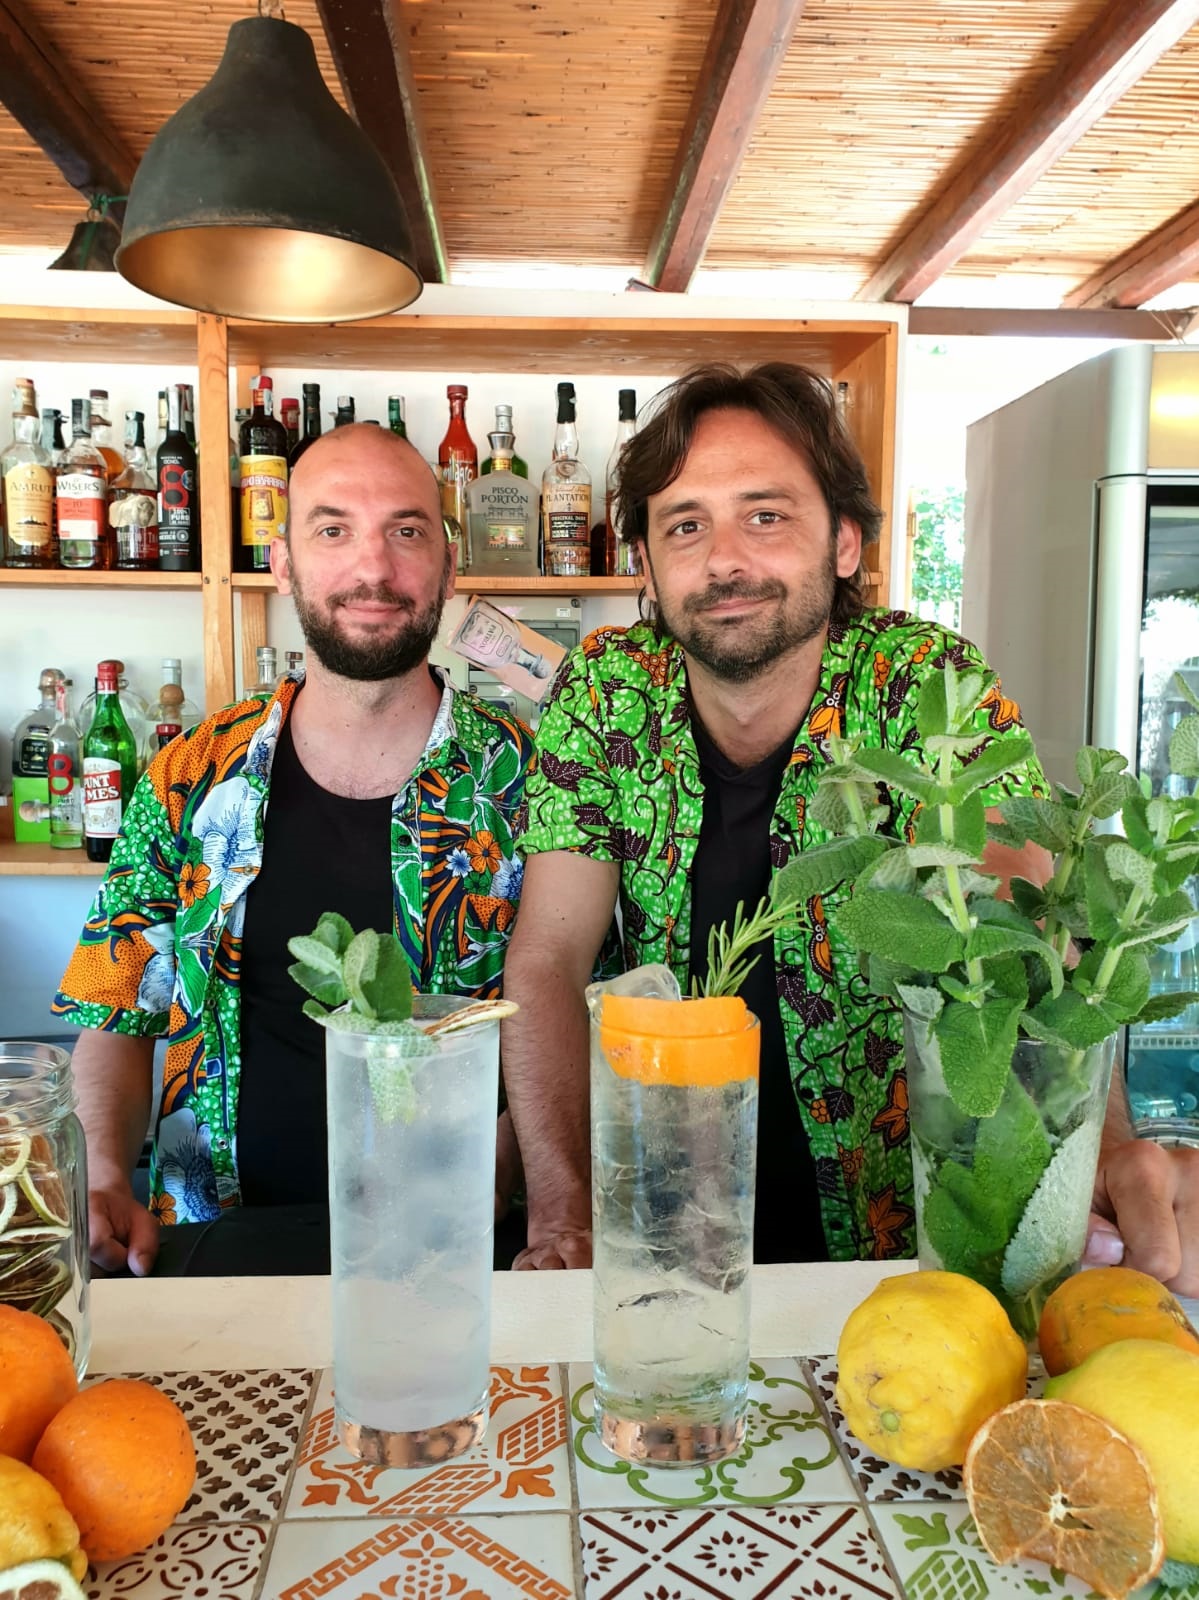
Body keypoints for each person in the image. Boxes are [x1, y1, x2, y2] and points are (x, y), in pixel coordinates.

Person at [501, 362, 1199, 1295]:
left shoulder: (923, 683)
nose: (723, 561)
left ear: (841, 544)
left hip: (910, 1260)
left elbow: (1023, 942)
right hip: (670, 1241)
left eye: (765, 516)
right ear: (646, 565)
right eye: (684, 526)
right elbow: (548, 955)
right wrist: (564, 1214)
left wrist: (1103, 1154)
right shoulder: (604, 690)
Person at [54, 424, 532, 1275]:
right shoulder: (187, 774)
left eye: (407, 530)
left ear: (449, 566)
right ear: (281, 563)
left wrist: (502, 1162)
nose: (373, 568)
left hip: (464, 1251)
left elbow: (583, 1014)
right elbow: (116, 1011)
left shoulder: (531, 781)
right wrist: (100, 1175)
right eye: (332, 529)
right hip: (215, 1243)